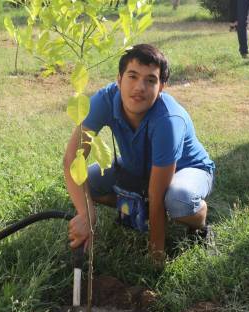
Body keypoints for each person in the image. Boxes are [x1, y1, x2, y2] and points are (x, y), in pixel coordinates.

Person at [64, 44, 215, 263]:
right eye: (132, 76)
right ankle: (136, 209)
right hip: (138, 168)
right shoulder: (103, 100)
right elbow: (72, 159)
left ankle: (198, 217)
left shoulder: (168, 120)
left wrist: (156, 257)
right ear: (119, 78)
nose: (139, 87)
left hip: (187, 170)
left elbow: (157, 193)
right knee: (87, 182)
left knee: (176, 199)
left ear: (162, 86)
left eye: (150, 80)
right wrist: (86, 214)